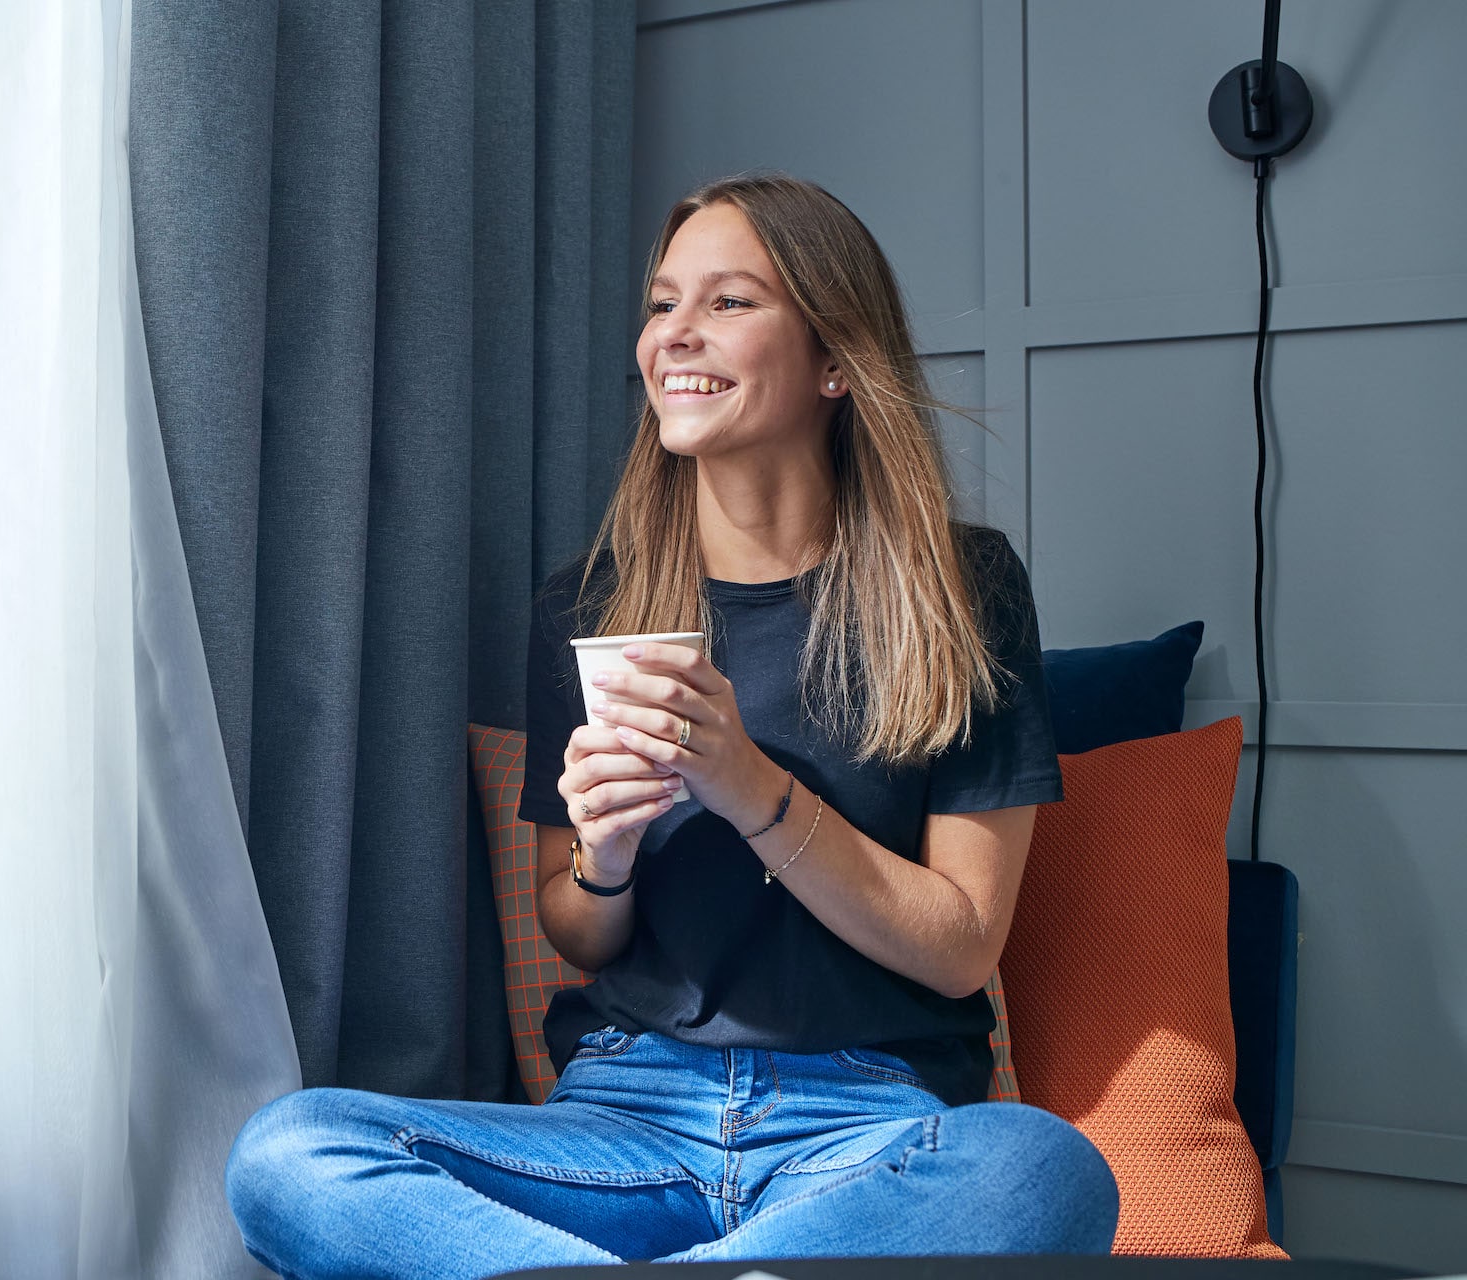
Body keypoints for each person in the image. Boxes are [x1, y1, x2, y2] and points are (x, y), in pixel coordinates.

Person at [225, 173, 1119, 1278]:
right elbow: (580, 930)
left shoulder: (958, 588)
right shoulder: (588, 607)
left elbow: (960, 945)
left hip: (870, 1123)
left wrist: (749, 784)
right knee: (289, 1149)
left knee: (1044, 1169)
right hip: (624, 1112)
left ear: (838, 360)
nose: (673, 336)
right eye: (661, 304)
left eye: (730, 302)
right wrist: (601, 858)